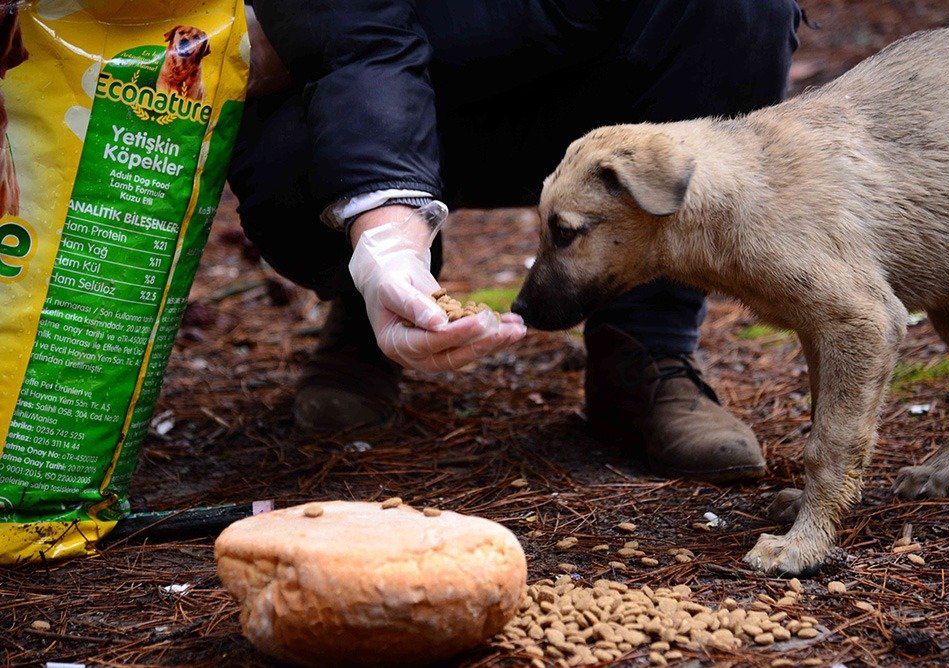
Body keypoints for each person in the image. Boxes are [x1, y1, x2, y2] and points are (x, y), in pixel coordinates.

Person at [229, 0, 803, 481]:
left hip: (582, 76)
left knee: (742, 9)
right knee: (293, 88)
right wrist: (387, 243)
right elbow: (354, 38)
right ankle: (372, 298)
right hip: (393, 83)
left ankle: (647, 343)